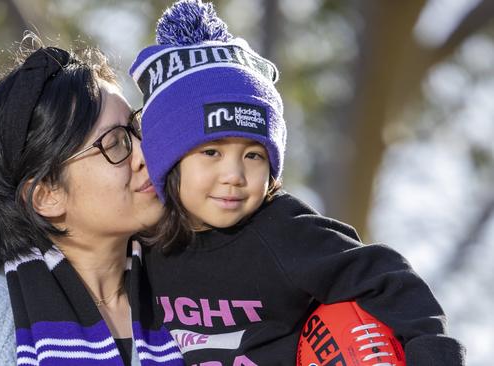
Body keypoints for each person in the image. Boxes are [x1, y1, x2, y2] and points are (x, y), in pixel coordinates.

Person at [128, 1, 466, 365]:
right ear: (166, 159)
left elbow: (387, 277)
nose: (234, 175)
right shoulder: (139, 242)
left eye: (253, 156)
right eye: (211, 152)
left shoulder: (282, 230)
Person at [0, 43, 183, 366]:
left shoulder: (195, 301)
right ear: (46, 195)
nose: (144, 154)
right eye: (115, 143)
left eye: (136, 129)